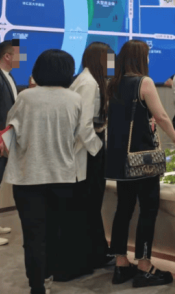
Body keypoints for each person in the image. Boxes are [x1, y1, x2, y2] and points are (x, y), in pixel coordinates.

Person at [5, 49, 102, 294]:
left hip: (28, 177)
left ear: (38, 70)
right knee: (54, 232)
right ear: (68, 72)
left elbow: (12, 130)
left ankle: (37, 285)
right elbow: (81, 133)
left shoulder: (25, 97)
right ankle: (48, 276)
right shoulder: (74, 99)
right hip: (63, 177)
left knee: (33, 236)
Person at [105, 40, 175, 288]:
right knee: (148, 210)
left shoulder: (113, 84)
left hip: (119, 159)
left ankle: (120, 263)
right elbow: (161, 116)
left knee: (123, 209)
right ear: (140, 58)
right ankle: (144, 266)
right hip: (142, 159)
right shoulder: (144, 82)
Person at [69, 42, 115, 270]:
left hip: (89, 152)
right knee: (89, 204)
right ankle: (93, 255)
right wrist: (99, 151)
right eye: (110, 59)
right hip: (88, 153)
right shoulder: (89, 84)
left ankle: (97, 252)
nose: (113, 64)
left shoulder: (90, 81)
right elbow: (84, 126)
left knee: (90, 205)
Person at [0, 39, 20, 247]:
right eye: (18, 54)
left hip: (5, 138)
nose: (21, 58)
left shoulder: (8, 76)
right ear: (7, 56)